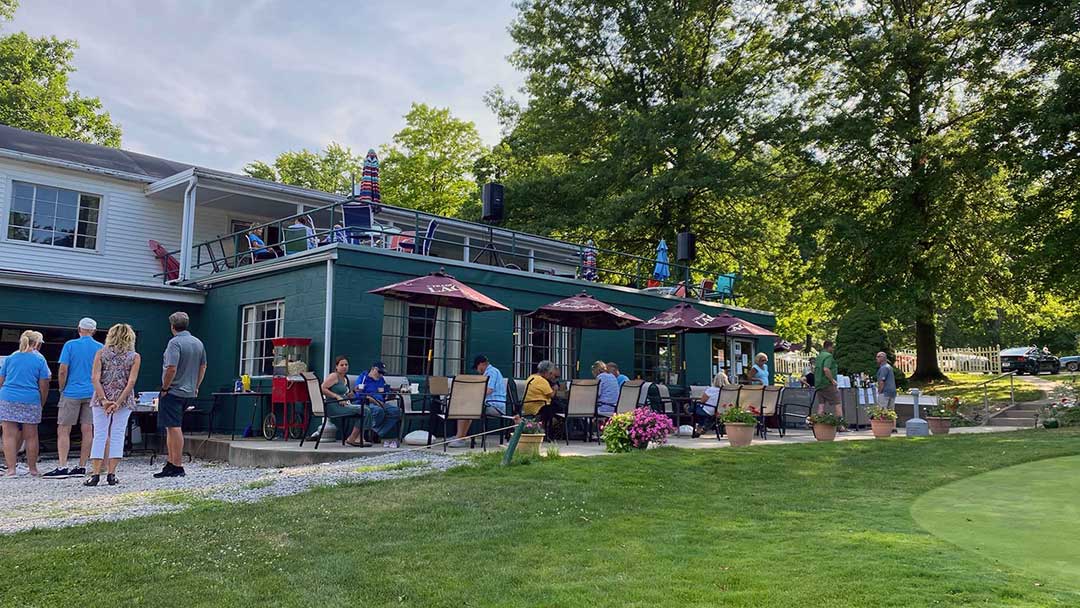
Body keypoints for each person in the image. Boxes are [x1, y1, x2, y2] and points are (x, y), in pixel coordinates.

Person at [42, 318, 104, 479]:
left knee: (64, 428)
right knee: (88, 429)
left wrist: (62, 387)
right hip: (92, 392)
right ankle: (82, 466)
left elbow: (63, 369)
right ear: (94, 331)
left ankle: (62, 466)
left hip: (71, 391)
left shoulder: (70, 345)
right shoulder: (101, 348)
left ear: (79, 329)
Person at [85, 324, 141, 487]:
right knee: (117, 434)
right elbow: (131, 382)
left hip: (101, 398)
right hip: (122, 400)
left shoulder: (101, 353)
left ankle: (95, 474)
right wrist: (118, 402)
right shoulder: (134, 356)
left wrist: (104, 399)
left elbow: (95, 378)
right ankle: (112, 474)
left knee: (100, 434)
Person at [155, 312, 206, 479]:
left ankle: (177, 465)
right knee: (171, 427)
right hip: (189, 390)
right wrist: (196, 386)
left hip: (174, 390)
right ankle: (171, 462)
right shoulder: (197, 343)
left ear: (172, 326)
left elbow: (171, 367)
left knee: (174, 427)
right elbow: (203, 366)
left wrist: (164, 387)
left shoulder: (174, 343)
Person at [1, 331, 50, 477]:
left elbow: (1, 380)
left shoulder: (10, 358)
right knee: (31, 436)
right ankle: (33, 469)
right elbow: (44, 384)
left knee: (8, 435)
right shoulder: (40, 360)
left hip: (8, 397)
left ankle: (11, 470)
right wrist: (41, 402)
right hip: (30, 398)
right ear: (37, 344)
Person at [446, 355, 507, 448]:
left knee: (465, 408)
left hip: (494, 406)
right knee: (468, 409)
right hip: (491, 404)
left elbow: (488, 390)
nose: (477, 370)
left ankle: (460, 438)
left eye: (477, 367)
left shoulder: (491, 372)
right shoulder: (491, 372)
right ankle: (460, 437)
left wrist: (472, 396)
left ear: (482, 364)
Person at [320, 356, 370, 447]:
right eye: (341, 365)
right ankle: (352, 438)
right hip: (333, 406)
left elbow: (346, 395)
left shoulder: (345, 378)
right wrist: (337, 397)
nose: (344, 367)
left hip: (345, 404)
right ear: (336, 366)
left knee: (365, 409)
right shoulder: (333, 376)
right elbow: (323, 388)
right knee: (365, 410)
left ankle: (359, 437)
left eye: (346, 365)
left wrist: (354, 391)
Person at [353, 361, 401, 447]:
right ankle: (368, 431)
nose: (381, 375)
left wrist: (391, 394)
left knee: (396, 411)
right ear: (373, 369)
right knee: (378, 411)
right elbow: (360, 394)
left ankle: (376, 432)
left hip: (381, 402)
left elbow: (384, 393)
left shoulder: (381, 379)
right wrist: (377, 402)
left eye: (383, 373)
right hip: (367, 402)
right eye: (380, 372)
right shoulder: (363, 377)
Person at [814, 340, 844, 428]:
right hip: (827, 384)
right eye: (832, 347)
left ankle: (818, 425)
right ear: (829, 347)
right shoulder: (828, 356)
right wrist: (832, 380)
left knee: (821, 405)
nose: (833, 349)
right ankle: (840, 426)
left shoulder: (819, 356)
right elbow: (826, 369)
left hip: (819, 384)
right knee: (837, 404)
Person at [521, 360, 558, 428]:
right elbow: (551, 395)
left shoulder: (532, 377)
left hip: (528, 406)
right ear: (546, 372)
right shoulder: (542, 381)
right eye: (550, 373)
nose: (551, 376)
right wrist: (555, 389)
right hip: (538, 408)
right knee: (560, 407)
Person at [694, 372, 730, 436]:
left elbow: (702, 401)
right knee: (709, 416)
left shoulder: (711, 390)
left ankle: (699, 429)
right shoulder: (728, 391)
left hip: (708, 410)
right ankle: (703, 428)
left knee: (697, 408)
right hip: (720, 411)